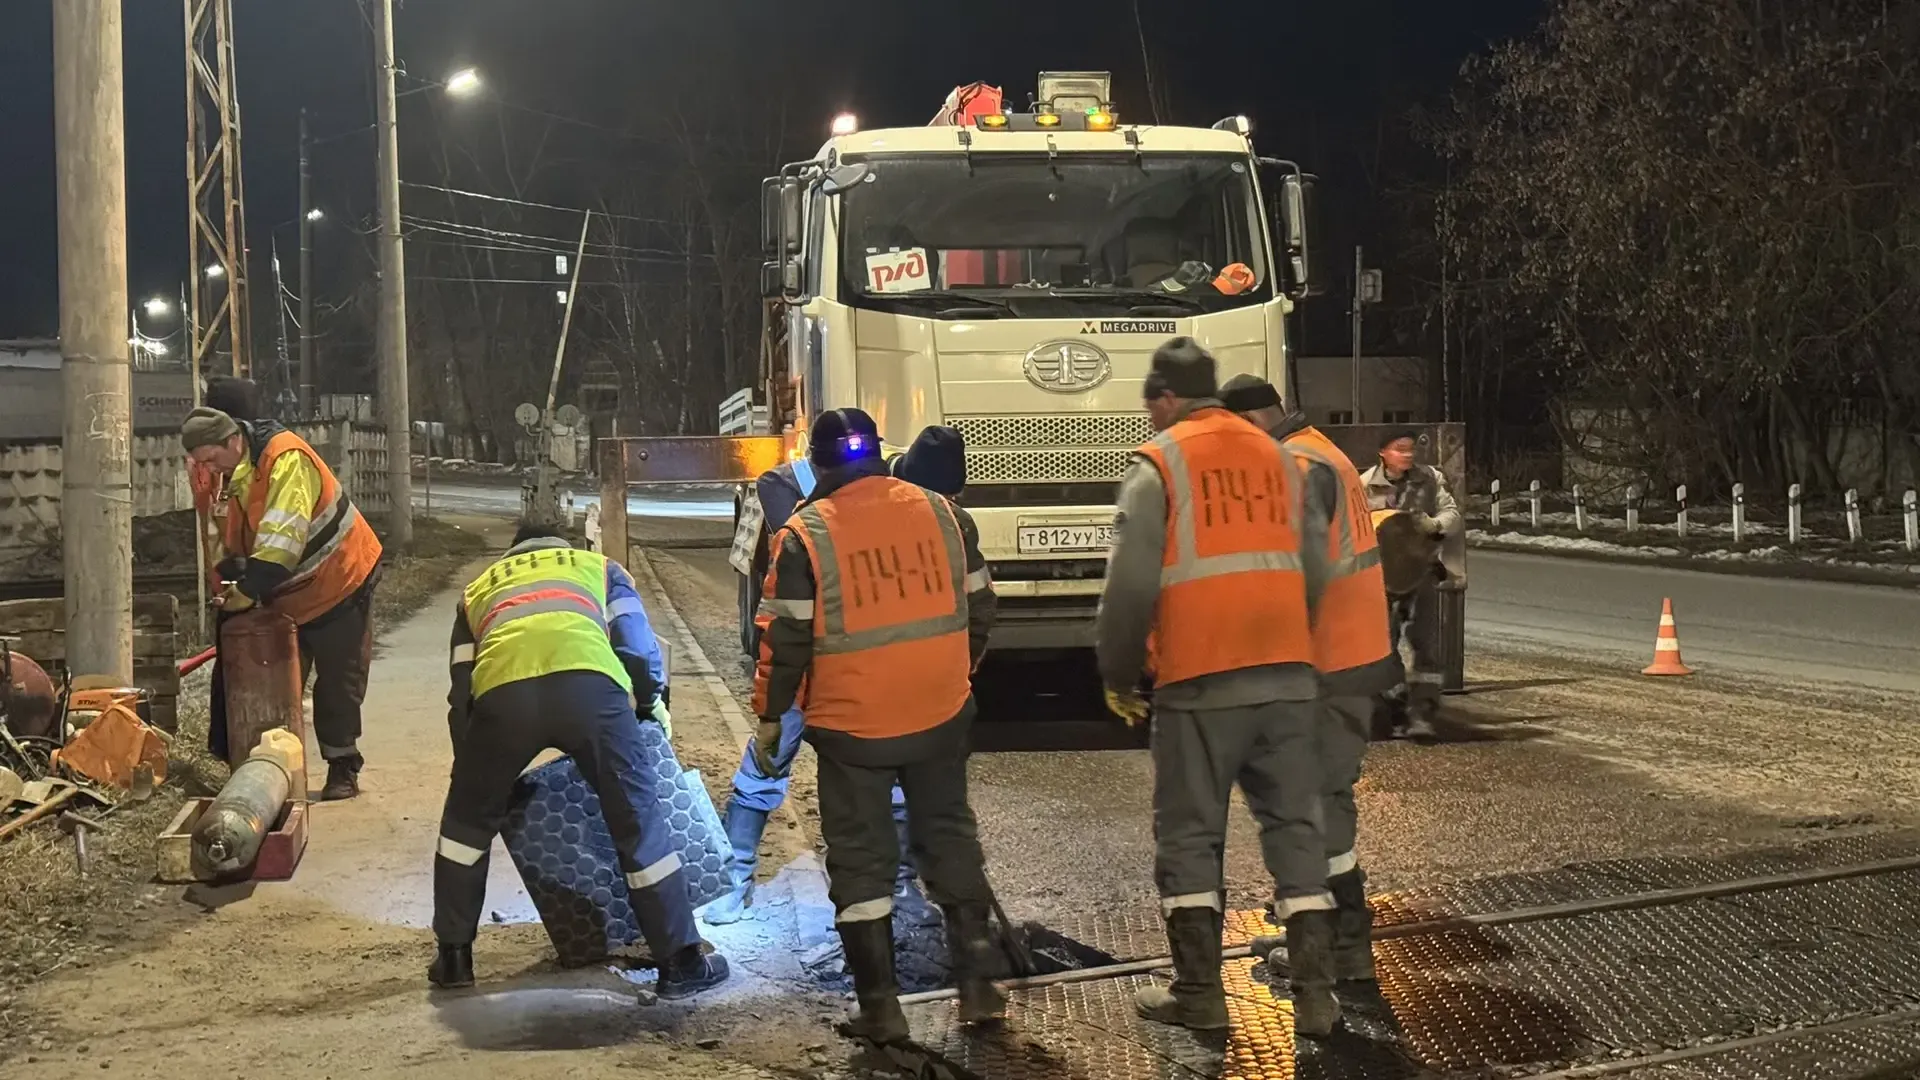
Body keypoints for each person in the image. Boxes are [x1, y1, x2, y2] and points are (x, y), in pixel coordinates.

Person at [1095, 340, 1341, 1037]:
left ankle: (1200, 995)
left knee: (1190, 839)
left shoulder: (1162, 466)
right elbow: (1317, 565)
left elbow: (1130, 589)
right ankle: (1318, 997)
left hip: (1199, 682)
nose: (1150, 417)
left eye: (1151, 404)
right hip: (1288, 676)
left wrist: (1118, 674)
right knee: (1297, 830)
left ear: (1169, 399)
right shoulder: (1280, 457)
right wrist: (1293, 636)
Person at [751, 408, 1001, 1041]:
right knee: (948, 834)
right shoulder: (945, 513)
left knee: (862, 857)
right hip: (940, 713)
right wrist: (959, 670)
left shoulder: (806, 534)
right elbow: (980, 604)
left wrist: (772, 716)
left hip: (853, 729)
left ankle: (882, 1008)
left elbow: (785, 640)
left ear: (820, 462)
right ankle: (977, 987)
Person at [430, 522, 727, 996]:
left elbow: (461, 687)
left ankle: (454, 960)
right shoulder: (600, 568)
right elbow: (635, 646)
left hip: (503, 700)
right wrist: (650, 704)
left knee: (463, 832)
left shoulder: (477, 591)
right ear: (562, 545)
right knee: (638, 821)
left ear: (512, 554)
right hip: (592, 692)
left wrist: (471, 769)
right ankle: (680, 961)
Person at [1222, 374, 1398, 984]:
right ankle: (1325, 940)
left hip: (1324, 667)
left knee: (1312, 807)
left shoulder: (1293, 469)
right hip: (1347, 660)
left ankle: (1335, 951)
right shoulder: (1321, 450)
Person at [180, 406, 382, 800]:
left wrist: (247, 590)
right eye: (198, 462)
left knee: (338, 680)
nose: (206, 467)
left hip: (341, 578)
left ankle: (342, 766)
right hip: (287, 590)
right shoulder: (227, 474)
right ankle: (266, 772)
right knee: (272, 681)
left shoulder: (285, 458)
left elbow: (281, 541)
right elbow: (226, 535)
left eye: (210, 458)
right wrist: (229, 574)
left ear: (233, 441)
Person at [1358, 430, 1461, 740]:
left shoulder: (1430, 478)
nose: (1408, 455)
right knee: (1380, 644)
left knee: (1426, 643)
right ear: (1383, 453)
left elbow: (1452, 514)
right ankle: (1395, 699)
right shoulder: (1364, 486)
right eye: (1399, 449)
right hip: (1380, 576)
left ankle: (1422, 712)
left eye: (1411, 449)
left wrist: (1434, 524)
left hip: (1421, 572)